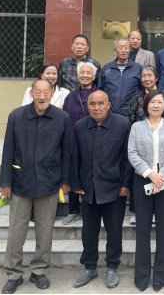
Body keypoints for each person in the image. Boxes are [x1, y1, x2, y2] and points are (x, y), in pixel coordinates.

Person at [0, 79, 70, 294]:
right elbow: (8, 150)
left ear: (52, 94)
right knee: (16, 230)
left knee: (45, 229)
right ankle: (13, 273)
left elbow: (67, 152)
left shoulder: (62, 118)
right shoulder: (16, 116)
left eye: (46, 92)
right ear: (31, 94)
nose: (42, 96)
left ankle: (39, 270)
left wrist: (65, 180)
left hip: (49, 182)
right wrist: (6, 182)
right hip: (21, 182)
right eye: (38, 92)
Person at [70, 90, 132, 289]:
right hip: (88, 189)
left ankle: (112, 266)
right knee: (89, 231)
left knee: (114, 231)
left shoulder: (122, 124)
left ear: (108, 104)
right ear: (87, 106)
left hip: (114, 188)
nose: (96, 108)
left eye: (100, 103)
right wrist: (76, 184)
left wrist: (125, 183)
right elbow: (74, 157)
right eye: (92, 104)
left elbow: (127, 157)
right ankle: (90, 267)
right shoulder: (80, 126)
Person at [128, 89, 164, 292]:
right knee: (142, 230)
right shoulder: (136, 127)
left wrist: (162, 177)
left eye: (159, 102)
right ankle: (141, 277)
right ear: (146, 105)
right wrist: (150, 174)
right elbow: (132, 153)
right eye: (152, 102)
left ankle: (161, 276)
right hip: (143, 180)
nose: (156, 105)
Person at [126, 65, 164, 225]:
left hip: (162, 139)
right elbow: (131, 116)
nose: (147, 78)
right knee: (139, 178)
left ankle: (155, 212)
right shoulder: (137, 96)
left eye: (150, 75)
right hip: (141, 140)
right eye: (144, 75)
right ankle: (136, 211)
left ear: (156, 78)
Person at [61, 61, 99, 225]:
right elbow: (64, 118)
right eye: (82, 73)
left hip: (93, 141)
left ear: (94, 76)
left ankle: (92, 209)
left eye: (88, 73)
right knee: (73, 173)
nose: (85, 75)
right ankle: (73, 210)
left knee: (91, 174)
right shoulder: (71, 96)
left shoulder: (99, 94)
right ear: (77, 76)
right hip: (72, 140)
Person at [99, 37, 142, 116]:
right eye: (120, 47)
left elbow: (141, 90)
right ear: (115, 50)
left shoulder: (137, 68)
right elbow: (100, 89)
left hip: (131, 114)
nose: (123, 50)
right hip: (110, 113)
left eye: (126, 48)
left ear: (129, 50)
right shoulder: (106, 68)